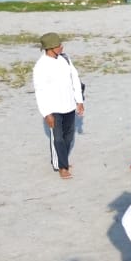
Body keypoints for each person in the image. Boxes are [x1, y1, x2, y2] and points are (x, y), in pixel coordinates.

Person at [33, 32, 85, 179]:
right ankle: (62, 166)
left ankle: (64, 160)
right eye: (58, 45)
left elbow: (75, 79)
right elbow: (40, 91)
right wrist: (46, 113)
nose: (62, 47)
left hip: (69, 105)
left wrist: (79, 101)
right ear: (50, 48)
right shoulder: (40, 66)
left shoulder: (65, 59)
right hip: (53, 108)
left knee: (69, 137)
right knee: (58, 138)